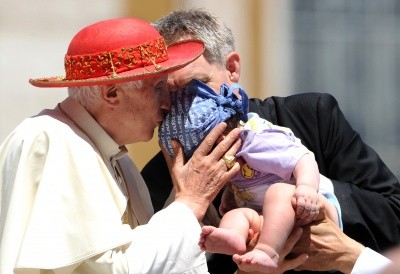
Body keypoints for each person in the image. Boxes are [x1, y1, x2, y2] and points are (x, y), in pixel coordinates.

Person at [141, 8, 400, 274]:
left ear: (231, 69)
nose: (184, 105)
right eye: (167, 92)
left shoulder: (311, 118)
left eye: (195, 86)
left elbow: (392, 215)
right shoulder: (160, 180)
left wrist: (313, 200)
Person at [0, 17, 245, 274]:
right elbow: (111, 270)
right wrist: (189, 202)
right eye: (158, 87)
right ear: (112, 93)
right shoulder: (52, 140)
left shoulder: (116, 159)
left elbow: (151, 258)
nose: (167, 103)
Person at [158, 78, 342, 273]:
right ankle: (232, 237)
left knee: (278, 192)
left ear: (222, 140)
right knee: (236, 215)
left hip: (311, 206)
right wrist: (230, 197)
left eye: (203, 153)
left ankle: (268, 251)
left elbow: (303, 158)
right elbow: (241, 180)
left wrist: (306, 188)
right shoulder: (232, 158)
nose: (200, 164)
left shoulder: (258, 141)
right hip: (270, 219)